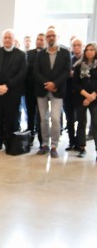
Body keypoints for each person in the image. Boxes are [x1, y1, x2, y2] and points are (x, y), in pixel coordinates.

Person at [0, 29, 27, 151]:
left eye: (10, 37)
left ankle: (10, 142)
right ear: (3, 40)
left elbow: (22, 73)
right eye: (5, 38)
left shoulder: (21, 54)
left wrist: (7, 86)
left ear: (14, 40)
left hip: (12, 92)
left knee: (11, 118)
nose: (7, 40)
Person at [33, 28, 70, 158]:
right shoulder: (40, 54)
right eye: (48, 36)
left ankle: (54, 146)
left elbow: (66, 71)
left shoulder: (65, 53)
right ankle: (44, 144)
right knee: (43, 119)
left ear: (57, 37)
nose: (51, 38)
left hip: (58, 90)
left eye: (53, 35)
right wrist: (47, 84)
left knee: (55, 118)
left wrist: (55, 84)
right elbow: (36, 72)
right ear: (46, 39)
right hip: (42, 90)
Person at [72, 42, 97, 159]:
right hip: (80, 98)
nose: (89, 52)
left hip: (95, 98)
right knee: (81, 123)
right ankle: (81, 148)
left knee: (95, 124)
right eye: (87, 50)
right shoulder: (78, 66)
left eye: (92, 49)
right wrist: (86, 96)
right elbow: (75, 84)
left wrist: (92, 96)